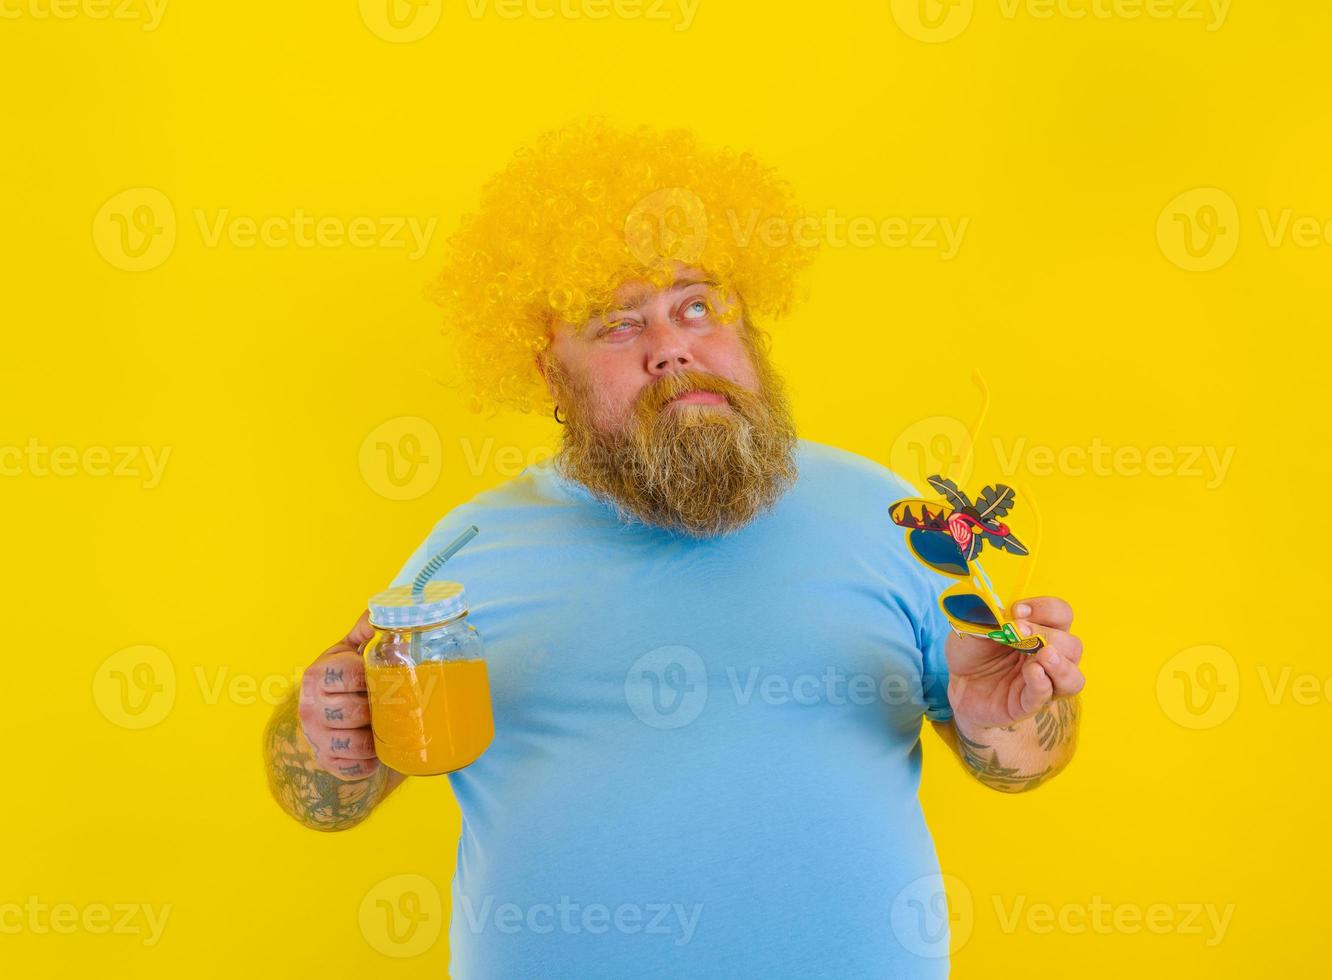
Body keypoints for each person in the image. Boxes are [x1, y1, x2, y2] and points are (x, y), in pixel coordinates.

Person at [262, 118, 1085, 978]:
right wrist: (328, 736)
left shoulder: (896, 518)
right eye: (618, 325)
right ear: (550, 373)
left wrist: (1014, 713)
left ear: (749, 327)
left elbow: (1024, 765)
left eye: (696, 305)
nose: (672, 349)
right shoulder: (469, 551)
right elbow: (324, 800)